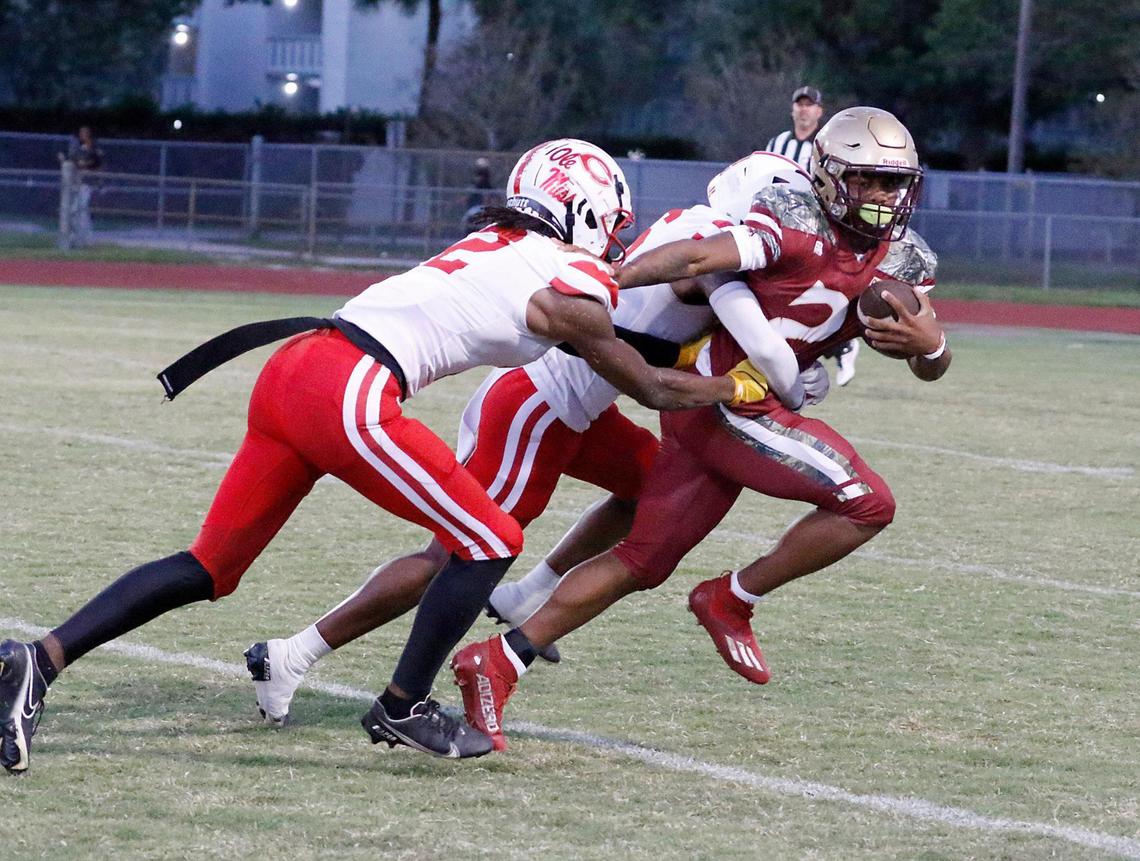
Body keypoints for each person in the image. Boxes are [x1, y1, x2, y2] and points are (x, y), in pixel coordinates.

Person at [0, 138, 773, 773]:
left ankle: (39, 658)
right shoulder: (567, 272)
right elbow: (648, 386)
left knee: (211, 566)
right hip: (350, 386)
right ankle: (403, 704)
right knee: (493, 538)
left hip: (296, 367)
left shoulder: (494, 237)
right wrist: (737, 386)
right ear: (585, 212)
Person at [243, 152, 826, 728]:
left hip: (582, 409)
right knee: (450, 556)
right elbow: (754, 350)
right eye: (788, 212)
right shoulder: (715, 253)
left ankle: (529, 595)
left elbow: (653, 337)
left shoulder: (695, 227)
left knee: (651, 487)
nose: (796, 228)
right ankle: (293, 655)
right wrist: (781, 376)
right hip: (537, 409)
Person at [451, 107, 952, 753]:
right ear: (829, 176)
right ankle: (733, 596)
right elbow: (696, 256)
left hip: (728, 406)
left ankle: (497, 661)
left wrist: (931, 346)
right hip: (729, 404)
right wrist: (609, 278)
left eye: (894, 182)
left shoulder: (908, 260)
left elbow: (929, 363)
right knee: (866, 502)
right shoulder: (793, 220)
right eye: (868, 180)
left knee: (642, 561)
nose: (884, 196)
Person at [767, 87, 860, 386]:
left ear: (820, 111)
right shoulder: (777, 142)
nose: (804, 110)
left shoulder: (826, 145)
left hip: (814, 229)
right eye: (800, 104)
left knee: (809, 291)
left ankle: (841, 344)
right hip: (779, 227)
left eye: (810, 105)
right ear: (793, 109)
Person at [58, 126, 104, 246]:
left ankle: (81, 238)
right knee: (81, 212)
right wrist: (64, 160)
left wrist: (99, 181)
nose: (81, 135)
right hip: (78, 184)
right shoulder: (81, 149)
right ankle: (85, 239)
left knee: (76, 210)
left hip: (88, 184)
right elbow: (73, 163)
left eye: (84, 133)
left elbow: (98, 166)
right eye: (81, 133)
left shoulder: (94, 149)